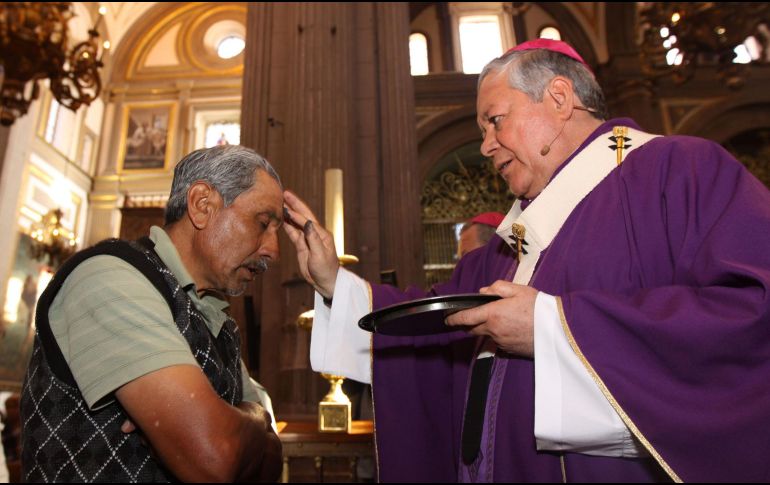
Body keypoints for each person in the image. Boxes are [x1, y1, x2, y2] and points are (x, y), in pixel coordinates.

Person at [284, 38, 770, 482]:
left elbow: (751, 314)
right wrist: (333, 282)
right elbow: (429, 316)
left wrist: (553, 327)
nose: (485, 145)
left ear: (559, 99)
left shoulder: (680, 172)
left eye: (495, 120)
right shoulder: (507, 246)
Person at [20, 145, 284, 482]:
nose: (273, 251)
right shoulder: (109, 279)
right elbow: (214, 460)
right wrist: (257, 421)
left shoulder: (217, 321)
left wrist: (244, 420)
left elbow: (271, 466)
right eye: (263, 223)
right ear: (202, 205)